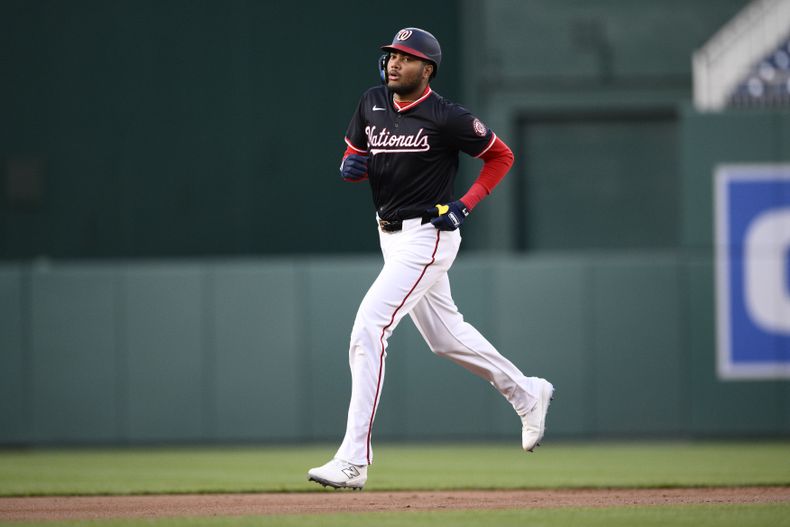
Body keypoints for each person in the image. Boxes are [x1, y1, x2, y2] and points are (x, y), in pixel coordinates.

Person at [308, 27, 554, 490]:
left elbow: (501, 156)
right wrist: (349, 165)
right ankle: (526, 392)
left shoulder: (446, 117)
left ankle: (353, 460)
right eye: (391, 55)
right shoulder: (371, 101)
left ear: (428, 68)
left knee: (368, 329)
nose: (394, 63)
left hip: (428, 236)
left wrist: (466, 204)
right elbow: (355, 155)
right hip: (389, 236)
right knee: (444, 337)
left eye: (406, 56)